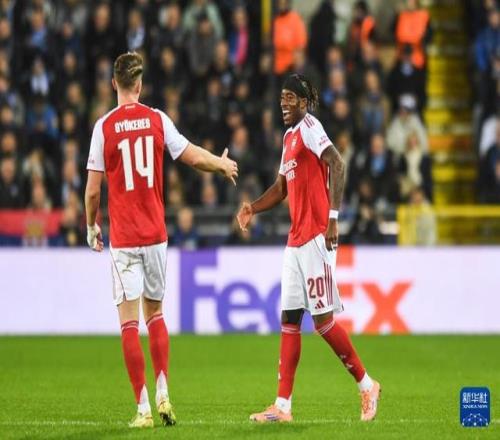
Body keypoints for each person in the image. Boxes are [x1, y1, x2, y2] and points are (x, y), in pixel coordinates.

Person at [84, 52, 238, 428]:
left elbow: (92, 191)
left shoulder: (103, 127)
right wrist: (220, 164)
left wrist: (91, 226)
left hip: (124, 239)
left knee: (128, 324)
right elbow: (191, 156)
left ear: (114, 84)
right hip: (155, 236)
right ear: (139, 84)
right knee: (156, 315)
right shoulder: (157, 119)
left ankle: (143, 409)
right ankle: (164, 390)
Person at [236, 73, 380, 423]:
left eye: (290, 98)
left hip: (317, 236)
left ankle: (367, 385)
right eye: (281, 98)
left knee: (323, 322)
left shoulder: (311, 128)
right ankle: (282, 407)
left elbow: (338, 164)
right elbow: (281, 188)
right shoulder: (288, 138)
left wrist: (333, 218)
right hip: (295, 240)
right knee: (289, 318)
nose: (283, 104)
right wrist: (253, 208)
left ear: (303, 102)